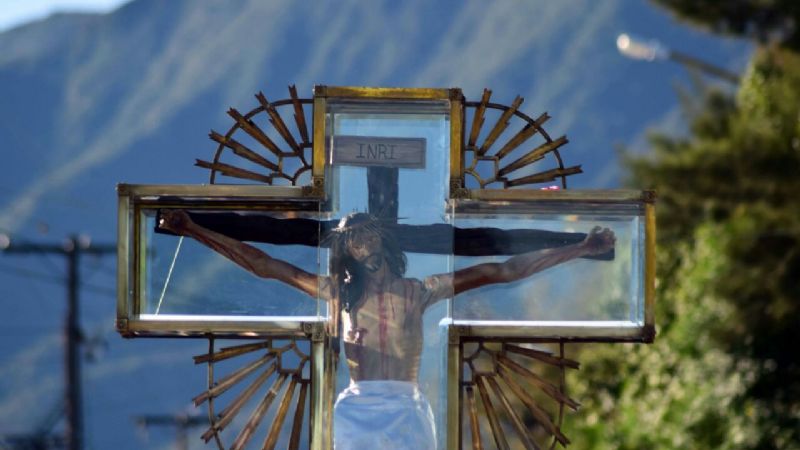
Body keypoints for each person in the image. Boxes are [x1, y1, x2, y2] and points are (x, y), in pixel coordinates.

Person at [158, 210, 615, 449]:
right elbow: (263, 264)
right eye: (352, 237)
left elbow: (504, 269)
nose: (362, 241)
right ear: (347, 250)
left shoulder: (420, 291)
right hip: (356, 411)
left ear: (382, 240)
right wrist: (193, 229)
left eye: (368, 232)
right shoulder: (336, 294)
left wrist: (580, 248)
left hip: (407, 407)